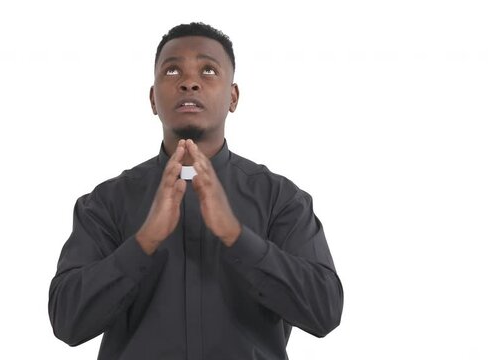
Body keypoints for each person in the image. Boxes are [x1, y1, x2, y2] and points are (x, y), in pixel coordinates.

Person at [48, 22, 343, 360]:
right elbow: (67, 321)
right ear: (152, 98)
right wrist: (144, 242)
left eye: (208, 70)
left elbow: (325, 312)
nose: (189, 82)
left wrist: (236, 235)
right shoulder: (104, 203)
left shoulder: (281, 199)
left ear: (232, 97)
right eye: (172, 70)